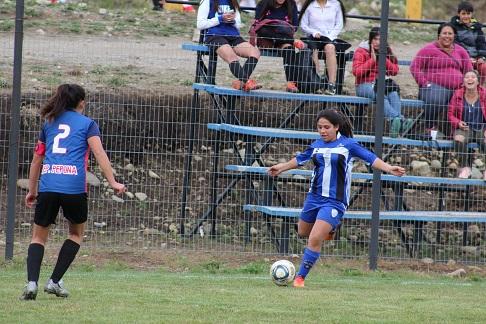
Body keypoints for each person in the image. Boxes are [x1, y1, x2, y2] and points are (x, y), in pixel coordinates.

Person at [267, 109, 406, 287]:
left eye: (327, 127)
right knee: (303, 232)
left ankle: (300, 278)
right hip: (314, 197)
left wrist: (388, 168)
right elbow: (300, 159)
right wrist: (281, 167)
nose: (323, 131)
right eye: (319, 127)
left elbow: (370, 158)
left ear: (337, 127)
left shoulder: (348, 145)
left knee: (315, 239)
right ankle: (330, 229)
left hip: (335, 200)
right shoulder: (316, 144)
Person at [20, 84, 126, 300]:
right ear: (81, 102)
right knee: (76, 234)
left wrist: (32, 190)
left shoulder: (49, 123)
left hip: (48, 186)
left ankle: (32, 284)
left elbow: (37, 160)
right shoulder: (88, 124)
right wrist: (113, 182)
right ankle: (55, 281)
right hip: (74, 188)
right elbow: (100, 154)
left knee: (38, 237)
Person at [410, 23, 473, 137]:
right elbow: (415, 67)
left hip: (457, 88)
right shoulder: (428, 49)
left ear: (454, 36)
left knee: (470, 102)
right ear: (439, 35)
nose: (447, 36)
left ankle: (462, 133)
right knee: (436, 98)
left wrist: (466, 86)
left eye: (450, 33)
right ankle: (429, 128)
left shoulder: (461, 51)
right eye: (444, 33)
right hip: (433, 87)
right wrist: (424, 83)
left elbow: (469, 70)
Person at [352, 27, 414, 138]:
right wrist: (372, 60)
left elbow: (394, 71)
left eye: (381, 40)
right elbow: (357, 72)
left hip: (382, 84)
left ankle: (395, 127)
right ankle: (399, 120)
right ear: (370, 40)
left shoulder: (385, 51)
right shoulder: (361, 51)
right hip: (364, 85)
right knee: (381, 95)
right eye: (375, 39)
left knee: (394, 94)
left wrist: (383, 57)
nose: (377, 42)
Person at [197, 0, 262, 91]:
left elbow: (238, 24)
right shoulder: (207, 1)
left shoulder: (233, 2)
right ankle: (247, 82)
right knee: (232, 57)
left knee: (255, 52)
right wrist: (220, 19)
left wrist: (232, 21)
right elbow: (200, 24)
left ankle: (240, 83)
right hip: (214, 36)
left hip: (233, 36)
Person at [299, 0, 347, 95]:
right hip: (312, 37)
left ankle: (331, 85)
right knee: (314, 51)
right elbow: (303, 25)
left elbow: (339, 24)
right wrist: (313, 32)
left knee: (330, 48)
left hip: (329, 37)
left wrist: (330, 36)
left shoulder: (335, 4)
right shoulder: (310, 5)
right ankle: (316, 84)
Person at [254, 0, 304, 92]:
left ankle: (290, 83)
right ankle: (292, 41)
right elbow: (257, 25)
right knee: (264, 31)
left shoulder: (291, 4)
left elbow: (295, 26)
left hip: (283, 38)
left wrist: (281, 28)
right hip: (267, 39)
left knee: (288, 49)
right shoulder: (263, 3)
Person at [448, 70, 486, 180]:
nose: (470, 79)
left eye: (473, 77)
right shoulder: (457, 94)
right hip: (465, 128)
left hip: (482, 128)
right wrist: (458, 122)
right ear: (463, 81)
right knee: (458, 139)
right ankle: (465, 167)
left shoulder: (484, 94)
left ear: (478, 81)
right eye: (467, 77)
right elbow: (450, 114)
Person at [450, 1, 486, 85]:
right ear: (459, 14)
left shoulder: (477, 27)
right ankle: (462, 87)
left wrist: (481, 57)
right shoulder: (453, 27)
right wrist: (467, 57)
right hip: (461, 57)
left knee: (484, 67)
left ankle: (479, 87)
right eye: (463, 13)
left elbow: (481, 43)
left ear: (471, 14)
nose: (466, 16)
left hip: (476, 57)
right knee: (464, 70)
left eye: (468, 13)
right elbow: (456, 43)